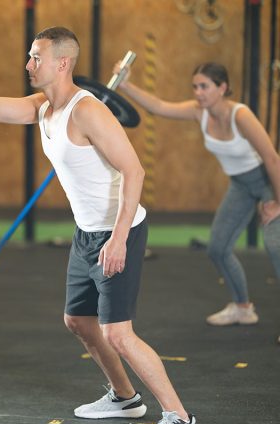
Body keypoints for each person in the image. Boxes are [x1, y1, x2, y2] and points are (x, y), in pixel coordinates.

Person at [0, 26, 202, 424]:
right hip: (85, 233)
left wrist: (118, 240)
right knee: (78, 321)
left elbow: (134, 171)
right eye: (29, 56)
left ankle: (181, 419)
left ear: (62, 63)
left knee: (118, 333)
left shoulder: (87, 111)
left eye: (36, 57)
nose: (28, 65)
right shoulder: (43, 107)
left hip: (120, 231)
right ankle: (125, 398)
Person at [115, 61, 280, 342]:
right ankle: (242, 308)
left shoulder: (241, 116)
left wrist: (277, 201)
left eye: (204, 86)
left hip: (268, 181)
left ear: (222, 88)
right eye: (195, 86)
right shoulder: (198, 112)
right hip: (240, 185)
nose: (198, 92)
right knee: (217, 248)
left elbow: (272, 158)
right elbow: (158, 107)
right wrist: (125, 84)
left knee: (275, 245)